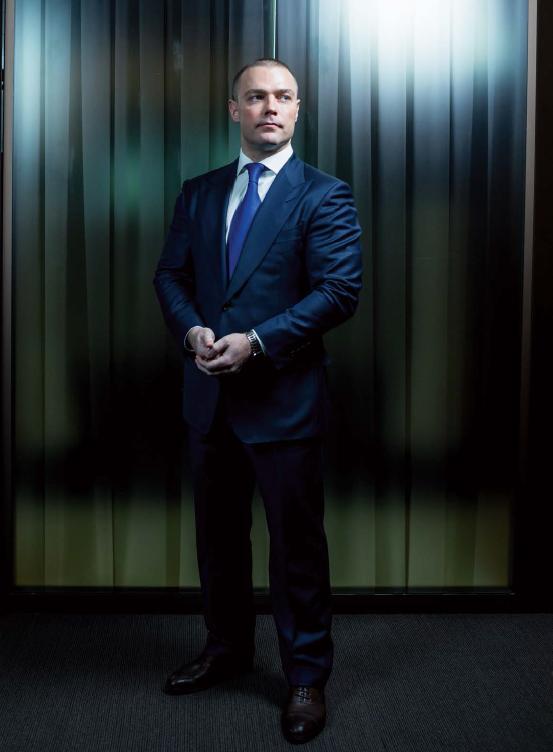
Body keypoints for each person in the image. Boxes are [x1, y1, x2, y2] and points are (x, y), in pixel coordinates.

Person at [154, 57, 362, 745]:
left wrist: (258, 342)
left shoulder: (323, 195)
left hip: (283, 402)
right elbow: (171, 275)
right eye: (256, 97)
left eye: (283, 96)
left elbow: (338, 291)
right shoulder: (199, 193)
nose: (270, 106)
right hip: (209, 398)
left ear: (297, 110)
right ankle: (227, 650)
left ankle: (306, 677)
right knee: (217, 540)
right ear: (234, 110)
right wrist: (193, 331)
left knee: (295, 548)